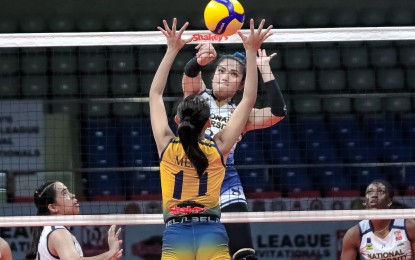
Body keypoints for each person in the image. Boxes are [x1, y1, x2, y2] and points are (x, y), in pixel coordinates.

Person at [149, 17, 272, 259]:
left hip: (176, 233)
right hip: (211, 232)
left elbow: (155, 94)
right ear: (209, 124)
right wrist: (250, 51)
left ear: (178, 121)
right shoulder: (219, 149)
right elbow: (248, 99)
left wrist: (172, 50)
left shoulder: (166, 146)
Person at [181, 27, 286, 260]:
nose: (225, 76)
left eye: (233, 74)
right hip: (190, 182)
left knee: (244, 255)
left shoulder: (241, 114)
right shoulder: (198, 96)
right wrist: (198, 61)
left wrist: (265, 70)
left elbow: (278, 112)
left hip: (226, 180)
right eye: (220, 70)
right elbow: (189, 75)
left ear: (241, 85)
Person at [26, 181, 123, 260]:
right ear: (53, 207)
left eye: (68, 191)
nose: (72, 195)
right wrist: (111, 252)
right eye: (64, 193)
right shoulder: (58, 232)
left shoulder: (52, 229)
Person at [341, 179, 415, 260]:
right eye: (370, 192)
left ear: (390, 201)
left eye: (380, 192)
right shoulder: (354, 234)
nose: (374, 195)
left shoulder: (409, 227)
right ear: (365, 202)